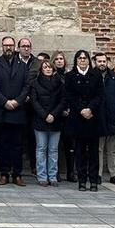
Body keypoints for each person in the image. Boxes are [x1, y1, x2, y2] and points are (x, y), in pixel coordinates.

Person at [0, 36, 30, 186]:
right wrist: (5, 101)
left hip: (18, 110)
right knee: (3, 144)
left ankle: (17, 174)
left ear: (15, 48)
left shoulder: (23, 65)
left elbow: (26, 86)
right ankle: (4, 173)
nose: (9, 48)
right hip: (1, 110)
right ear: (2, 46)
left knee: (18, 144)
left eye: (11, 45)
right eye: (6, 45)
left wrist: (16, 101)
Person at [65, 49, 104, 191]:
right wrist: (81, 109)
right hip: (78, 117)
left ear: (88, 60)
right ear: (76, 60)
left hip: (93, 117)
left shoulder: (96, 75)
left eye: (85, 58)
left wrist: (90, 109)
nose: (82, 60)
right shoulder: (70, 76)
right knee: (80, 151)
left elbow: (100, 95)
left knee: (93, 151)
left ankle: (93, 180)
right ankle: (81, 180)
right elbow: (69, 95)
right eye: (80, 58)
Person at [30, 59, 65, 187]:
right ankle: (42, 176)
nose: (48, 69)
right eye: (45, 67)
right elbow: (34, 101)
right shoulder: (35, 83)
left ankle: (53, 176)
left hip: (55, 120)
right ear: (41, 69)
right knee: (41, 149)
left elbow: (63, 100)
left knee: (53, 150)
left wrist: (53, 114)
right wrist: (45, 115)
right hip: (40, 120)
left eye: (50, 67)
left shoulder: (60, 83)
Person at [95, 52, 115, 185]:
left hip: (113, 117)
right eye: (99, 61)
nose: (102, 63)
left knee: (113, 149)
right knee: (98, 149)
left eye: (104, 61)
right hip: (97, 118)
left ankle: (114, 174)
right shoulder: (92, 76)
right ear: (95, 62)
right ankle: (97, 173)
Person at [52, 51, 75, 182]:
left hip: (69, 116)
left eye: (61, 59)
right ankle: (55, 172)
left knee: (70, 145)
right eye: (57, 59)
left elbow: (72, 94)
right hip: (57, 115)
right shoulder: (52, 76)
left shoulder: (69, 76)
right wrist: (59, 111)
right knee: (55, 146)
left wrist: (70, 109)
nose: (59, 61)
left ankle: (71, 172)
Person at [17, 38, 37, 174]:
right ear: (18, 48)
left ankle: (34, 166)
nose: (26, 48)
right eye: (23, 46)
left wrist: (31, 95)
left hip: (32, 105)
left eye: (28, 46)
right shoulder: (13, 61)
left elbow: (38, 82)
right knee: (16, 137)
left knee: (33, 137)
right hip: (17, 104)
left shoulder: (36, 63)